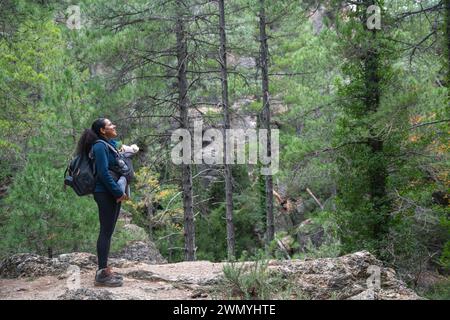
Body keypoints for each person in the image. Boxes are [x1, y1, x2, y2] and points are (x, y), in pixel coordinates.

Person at [75, 118, 128, 287]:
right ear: (103, 130)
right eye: (110, 124)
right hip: (105, 193)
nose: (114, 126)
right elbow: (103, 174)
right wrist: (118, 192)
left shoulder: (107, 144)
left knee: (108, 231)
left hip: (109, 193)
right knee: (105, 232)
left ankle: (104, 269)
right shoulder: (99, 146)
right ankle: (101, 273)